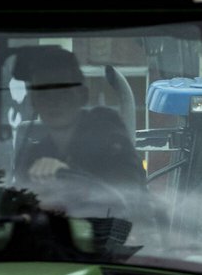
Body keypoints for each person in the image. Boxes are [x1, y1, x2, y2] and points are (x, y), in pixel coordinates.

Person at [11, 46, 146, 202]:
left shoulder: (109, 139)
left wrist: (68, 175)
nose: (54, 102)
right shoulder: (32, 157)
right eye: (44, 93)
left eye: (63, 92)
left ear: (82, 96)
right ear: (33, 102)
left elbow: (129, 195)